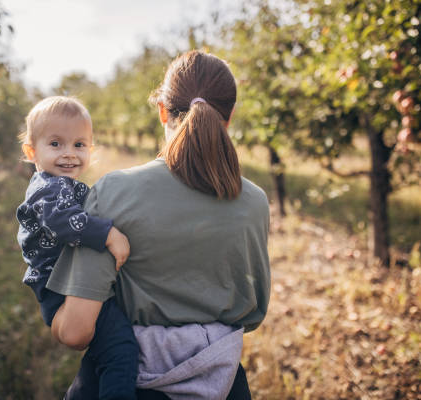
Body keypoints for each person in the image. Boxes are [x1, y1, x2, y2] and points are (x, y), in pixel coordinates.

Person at [48, 51, 271, 399]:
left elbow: (76, 331)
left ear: (163, 110)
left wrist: (52, 314)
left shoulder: (114, 192)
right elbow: (254, 313)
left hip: (124, 383)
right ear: (228, 118)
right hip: (222, 384)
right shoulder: (254, 202)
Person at [15, 96, 138, 400]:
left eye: (79, 145)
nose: (69, 154)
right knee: (122, 351)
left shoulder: (62, 185)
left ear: (91, 149)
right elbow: (61, 220)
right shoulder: (49, 188)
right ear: (31, 152)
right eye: (55, 144)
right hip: (60, 287)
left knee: (104, 350)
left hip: (65, 283)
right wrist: (108, 233)